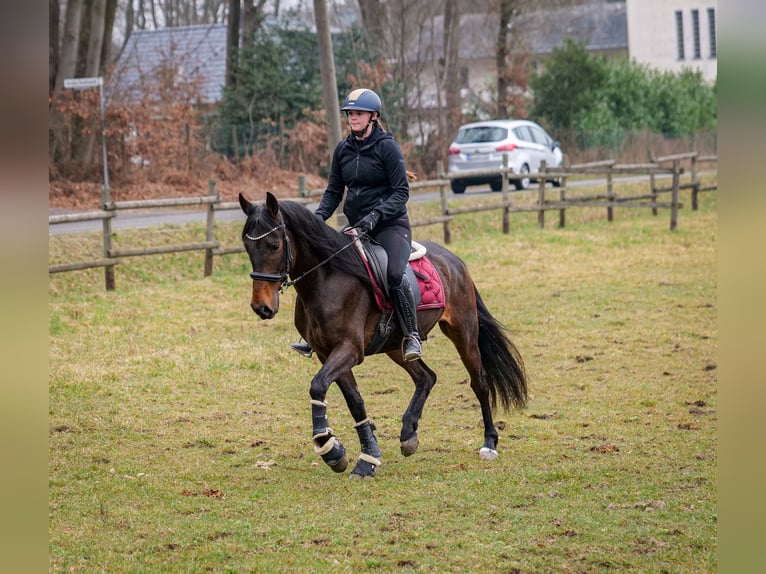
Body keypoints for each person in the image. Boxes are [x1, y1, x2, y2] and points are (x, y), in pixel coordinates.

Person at [291, 88, 423, 362]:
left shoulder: (388, 147)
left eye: (359, 114)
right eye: (350, 113)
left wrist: (375, 216)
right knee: (318, 264)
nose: (353, 118)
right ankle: (312, 334)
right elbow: (333, 192)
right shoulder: (343, 149)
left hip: (390, 227)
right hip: (357, 228)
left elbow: (401, 192)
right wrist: (317, 220)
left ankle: (411, 335)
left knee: (395, 274)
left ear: (373, 117)